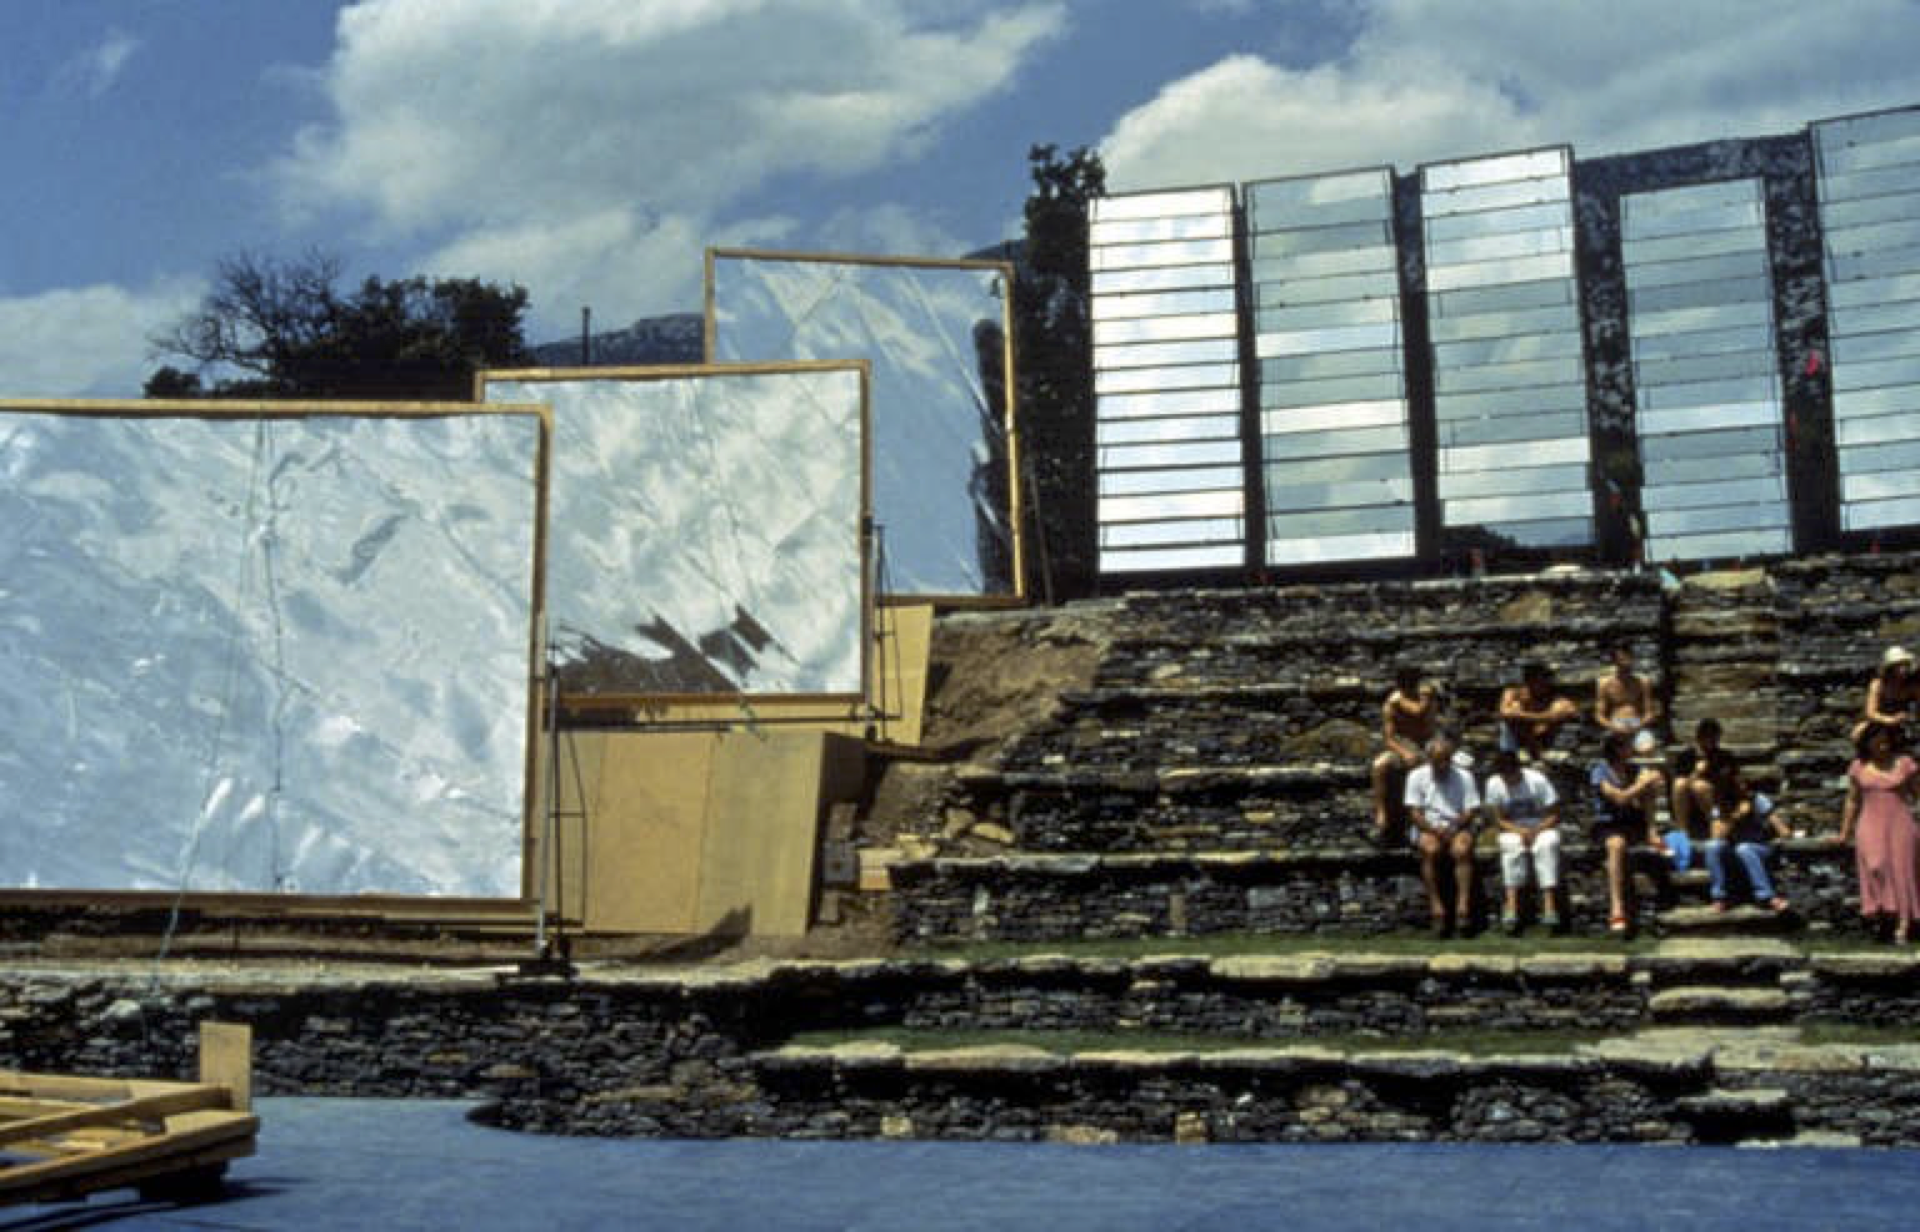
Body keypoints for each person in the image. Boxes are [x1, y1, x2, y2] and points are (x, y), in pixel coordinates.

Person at [1837, 721, 1920, 944]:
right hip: (1870, 823)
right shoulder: (1859, 767)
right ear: (1868, 744)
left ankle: (1903, 924)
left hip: (1900, 823)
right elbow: (1852, 801)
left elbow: (1917, 793)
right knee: (1876, 865)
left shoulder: (1904, 764)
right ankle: (1884, 914)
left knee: (1903, 872)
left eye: (1886, 741)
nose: (1883, 746)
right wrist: (1845, 832)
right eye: (1877, 742)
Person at [1403, 731, 1480, 938]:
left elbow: (1471, 809)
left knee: (1462, 849)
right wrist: (1432, 829)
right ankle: (1437, 907)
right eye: (1438, 762)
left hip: (1457, 824)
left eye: (1446, 761)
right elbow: (1414, 812)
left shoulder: (1465, 777)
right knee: (1430, 849)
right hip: (1428, 826)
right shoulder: (1416, 776)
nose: (1443, 766)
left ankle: (1463, 906)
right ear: (1430, 760)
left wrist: (1454, 826)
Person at [1590, 730, 1666, 934]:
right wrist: (1641, 785)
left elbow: (1653, 783)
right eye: (1627, 746)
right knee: (1616, 845)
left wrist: (1652, 779)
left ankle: (1652, 832)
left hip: (1632, 820)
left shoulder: (1634, 768)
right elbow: (1619, 798)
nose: (1632, 749)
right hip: (1609, 823)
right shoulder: (1600, 771)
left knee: (1650, 785)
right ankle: (1617, 908)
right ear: (1617, 749)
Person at [1484, 746, 1563, 934]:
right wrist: (1520, 831)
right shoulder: (1494, 783)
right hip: (1512, 828)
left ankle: (1549, 903)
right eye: (1504, 775)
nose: (1508, 779)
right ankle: (1511, 903)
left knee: (1548, 843)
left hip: (1540, 825)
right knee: (1511, 845)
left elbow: (1554, 814)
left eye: (1511, 775)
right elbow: (1497, 819)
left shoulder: (1537, 780)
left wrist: (1536, 830)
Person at [1700, 759, 1791, 914]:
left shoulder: (1757, 799)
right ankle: (1720, 897)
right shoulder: (1721, 805)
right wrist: (1736, 817)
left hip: (1758, 849)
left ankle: (1766, 896)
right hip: (1733, 852)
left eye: (1743, 784)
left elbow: (1784, 831)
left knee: (1744, 848)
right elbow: (1716, 837)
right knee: (1712, 846)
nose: (1742, 788)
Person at [1371, 666, 1438, 844]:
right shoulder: (1390, 705)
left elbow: (1418, 712)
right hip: (1405, 744)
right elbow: (1389, 738)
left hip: (1428, 743)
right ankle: (1381, 812)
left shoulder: (1425, 696)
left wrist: (1407, 701)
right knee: (1380, 765)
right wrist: (1404, 752)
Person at [1499, 662, 1582, 759]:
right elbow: (1505, 712)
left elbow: (1568, 711)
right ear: (1528, 681)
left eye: (1545, 679)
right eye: (1538, 680)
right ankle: (1518, 753)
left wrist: (1527, 717)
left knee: (1558, 711)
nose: (1544, 683)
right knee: (1514, 708)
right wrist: (1540, 718)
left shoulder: (1555, 697)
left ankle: (1537, 752)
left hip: (1545, 735)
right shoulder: (1513, 692)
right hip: (1521, 736)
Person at [1671, 718, 1733, 843]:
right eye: (1707, 736)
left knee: (1699, 786)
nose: (1711, 741)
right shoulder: (1686, 756)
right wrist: (1696, 773)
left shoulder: (1724, 756)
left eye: (1714, 737)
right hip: (1689, 803)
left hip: (1714, 802)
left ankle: (1714, 823)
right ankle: (1682, 830)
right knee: (1680, 784)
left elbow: (1728, 782)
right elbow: (1680, 786)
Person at [1594, 642, 1660, 750]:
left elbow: (1649, 713)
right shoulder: (1604, 683)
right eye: (1621, 659)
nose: (1625, 662)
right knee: (1614, 750)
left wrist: (1637, 726)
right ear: (1615, 661)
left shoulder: (1643, 682)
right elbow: (1599, 715)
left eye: (1628, 658)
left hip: (1637, 724)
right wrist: (1614, 727)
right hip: (1615, 725)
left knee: (1647, 747)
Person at [1851, 646, 1919, 743]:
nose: (1904, 669)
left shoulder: (1912, 686)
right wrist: (1890, 720)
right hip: (1878, 722)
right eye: (1899, 666)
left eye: (1905, 665)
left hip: (1902, 724)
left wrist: (1910, 717)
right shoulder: (1878, 685)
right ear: (1891, 667)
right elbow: (1870, 713)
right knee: (1858, 733)